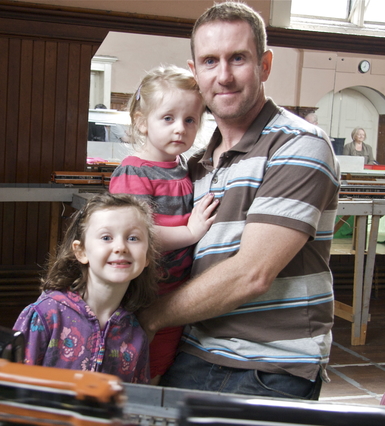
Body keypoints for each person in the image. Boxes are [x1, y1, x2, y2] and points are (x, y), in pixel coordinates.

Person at [136, 1, 340, 400]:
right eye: (210, 61)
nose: (224, 76)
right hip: (190, 348)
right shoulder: (195, 166)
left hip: (268, 365)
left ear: (264, 65)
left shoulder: (299, 145)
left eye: (238, 59)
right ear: (195, 73)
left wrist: (149, 318)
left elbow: (252, 274)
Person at [109, 65, 218, 384]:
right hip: (140, 291)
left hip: (175, 290)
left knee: (160, 364)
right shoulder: (134, 172)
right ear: (142, 123)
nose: (180, 129)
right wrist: (191, 233)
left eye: (190, 120)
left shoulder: (184, 167)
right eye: (168, 118)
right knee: (132, 364)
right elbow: (133, 233)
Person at [13, 192, 160, 383]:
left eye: (133, 238)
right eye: (106, 237)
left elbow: (134, 402)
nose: (121, 247)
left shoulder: (135, 335)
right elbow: (9, 387)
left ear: (147, 255)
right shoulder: (46, 315)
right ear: (81, 251)